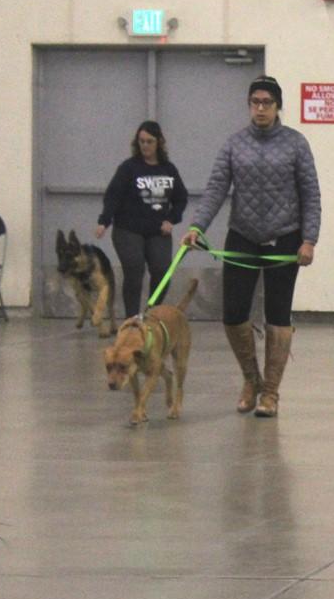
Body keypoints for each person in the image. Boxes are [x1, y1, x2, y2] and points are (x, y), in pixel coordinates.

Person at [182, 76, 320, 417]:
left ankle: (270, 392)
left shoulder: (296, 144)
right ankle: (250, 379)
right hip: (242, 235)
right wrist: (197, 226)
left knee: (277, 314)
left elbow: (310, 194)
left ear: (278, 106)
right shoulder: (234, 144)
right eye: (255, 102)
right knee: (233, 314)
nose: (260, 108)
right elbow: (216, 188)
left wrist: (309, 239)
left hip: (285, 238)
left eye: (267, 103)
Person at [96, 121, 189, 318]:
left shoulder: (168, 169)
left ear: (159, 142)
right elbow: (113, 196)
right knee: (135, 269)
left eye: (149, 141)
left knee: (162, 270)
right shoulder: (129, 168)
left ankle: (149, 314)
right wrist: (104, 221)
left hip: (158, 229)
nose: (145, 145)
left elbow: (181, 198)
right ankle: (131, 319)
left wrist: (171, 219)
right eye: (141, 141)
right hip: (128, 229)